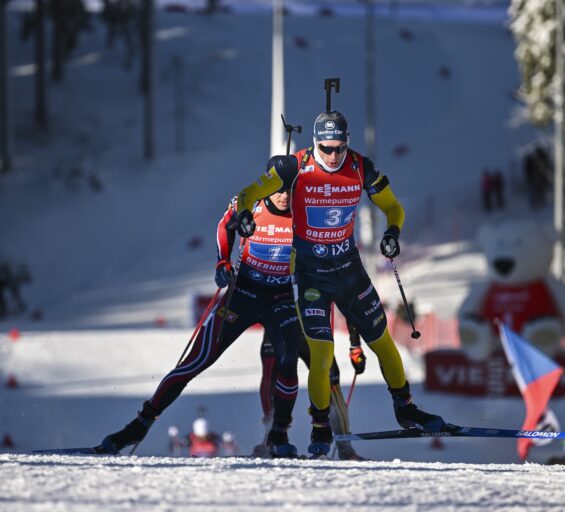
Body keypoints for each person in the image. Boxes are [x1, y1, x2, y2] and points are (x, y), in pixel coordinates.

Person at [233, 110, 446, 457]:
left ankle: (406, 408)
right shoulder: (293, 167)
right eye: (326, 148)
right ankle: (320, 426)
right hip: (310, 275)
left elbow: (393, 207)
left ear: (347, 143)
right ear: (315, 143)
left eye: (339, 148)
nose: (333, 156)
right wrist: (244, 214)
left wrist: (392, 233)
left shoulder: (360, 167)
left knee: (383, 341)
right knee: (322, 354)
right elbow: (247, 194)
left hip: (349, 271)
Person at [99, 185, 306, 458]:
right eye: (278, 190)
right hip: (242, 295)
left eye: (289, 190)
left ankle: (279, 435)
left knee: (288, 363)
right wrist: (223, 262)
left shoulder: (305, 209)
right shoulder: (251, 202)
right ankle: (138, 426)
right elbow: (225, 224)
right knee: (194, 363)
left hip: (281, 299)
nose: (284, 197)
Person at [255, 315, 365, 460]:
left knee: (330, 378)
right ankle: (271, 440)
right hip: (279, 326)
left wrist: (355, 346)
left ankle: (345, 447)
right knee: (271, 376)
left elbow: (347, 303)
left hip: (312, 329)